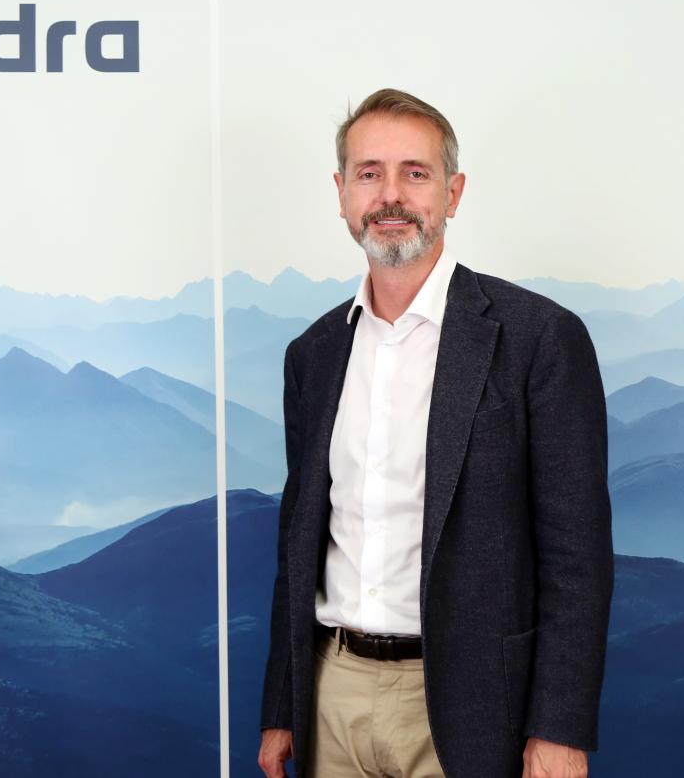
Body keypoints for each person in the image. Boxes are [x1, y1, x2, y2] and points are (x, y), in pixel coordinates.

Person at [257, 88, 613, 778]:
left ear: (453, 193)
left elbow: (578, 558)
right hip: (331, 698)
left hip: (473, 704)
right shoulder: (314, 355)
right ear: (341, 194)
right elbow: (298, 546)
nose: (390, 194)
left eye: (414, 173)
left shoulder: (539, 339)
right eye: (369, 173)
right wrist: (282, 703)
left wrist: (559, 728)